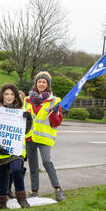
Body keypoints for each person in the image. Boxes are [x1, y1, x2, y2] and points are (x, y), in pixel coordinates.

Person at [0, 83, 33, 210]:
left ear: (16, 96)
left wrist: (28, 121)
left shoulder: (20, 111)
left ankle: (22, 199)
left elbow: (25, 131)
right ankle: (1, 203)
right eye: (6, 94)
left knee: (17, 169)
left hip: (16, 149)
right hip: (0, 150)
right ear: (2, 95)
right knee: (2, 175)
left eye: (12, 94)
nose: (9, 96)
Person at [24, 71, 65, 201]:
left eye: (44, 82)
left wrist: (54, 113)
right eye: (39, 81)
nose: (41, 84)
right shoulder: (26, 99)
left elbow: (56, 123)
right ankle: (34, 191)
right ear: (36, 83)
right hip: (29, 137)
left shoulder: (55, 101)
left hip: (44, 138)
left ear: (48, 85)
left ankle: (57, 189)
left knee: (47, 162)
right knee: (33, 166)